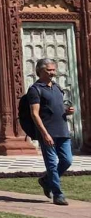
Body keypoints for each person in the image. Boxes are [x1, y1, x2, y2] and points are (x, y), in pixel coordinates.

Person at [24, 58, 76, 206]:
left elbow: (57, 109)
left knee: (67, 160)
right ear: (40, 71)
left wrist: (68, 112)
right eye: (49, 70)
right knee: (52, 164)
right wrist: (45, 134)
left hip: (62, 131)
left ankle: (46, 181)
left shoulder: (57, 87)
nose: (53, 73)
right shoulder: (35, 89)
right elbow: (35, 113)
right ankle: (57, 194)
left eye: (54, 70)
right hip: (47, 132)